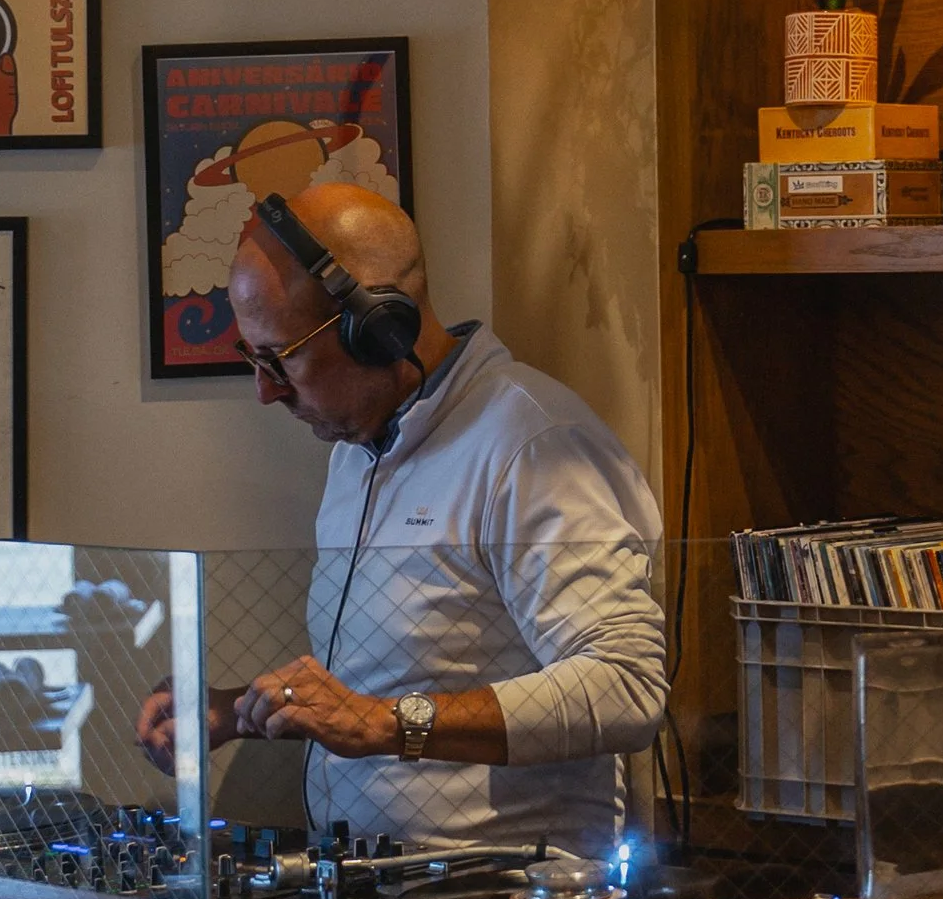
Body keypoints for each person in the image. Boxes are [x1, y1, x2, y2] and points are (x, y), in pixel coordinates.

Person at [137, 184, 667, 859]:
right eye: (253, 357)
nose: (265, 390)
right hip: (383, 890)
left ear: (380, 326)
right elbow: (383, 687)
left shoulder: (531, 445)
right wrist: (241, 709)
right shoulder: (360, 447)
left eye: (281, 357)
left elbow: (627, 684)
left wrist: (389, 723)